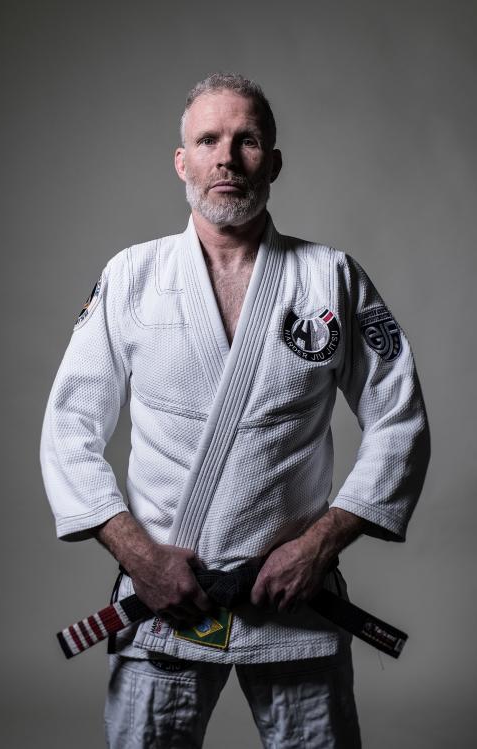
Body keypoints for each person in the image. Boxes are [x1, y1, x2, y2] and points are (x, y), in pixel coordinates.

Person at [40, 73, 430, 748]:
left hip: (294, 602)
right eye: (208, 140)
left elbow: (399, 419)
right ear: (181, 161)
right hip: (166, 602)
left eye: (246, 140)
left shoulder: (331, 277)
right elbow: (68, 427)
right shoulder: (132, 276)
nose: (226, 157)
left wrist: (318, 546)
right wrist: (140, 558)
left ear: (272, 161)